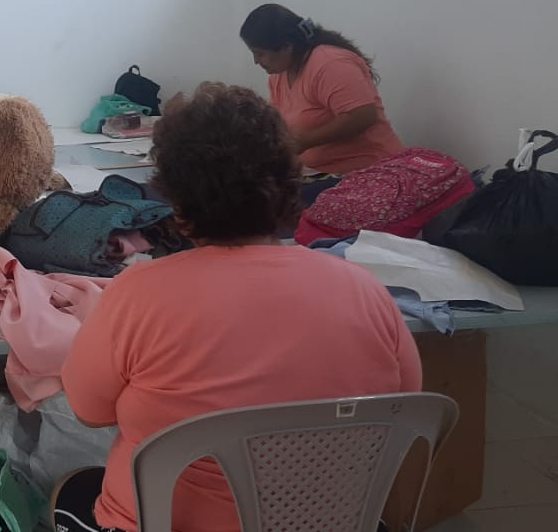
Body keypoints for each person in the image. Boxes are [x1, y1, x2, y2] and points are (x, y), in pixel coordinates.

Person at [54, 84, 422, 532]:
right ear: (287, 186)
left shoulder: (137, 294)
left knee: (71, 488)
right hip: (329, 523)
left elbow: (90, 413)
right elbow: (401, 409)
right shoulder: (365, 290)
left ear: (175, 200)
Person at [240, 3, 403, 175]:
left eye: (260, 53)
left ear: (287, 46)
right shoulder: (279, 74)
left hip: (368, 171)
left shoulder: (330, 63)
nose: (256, 61)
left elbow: (363, 116)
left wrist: (305, 141)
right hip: (317, 172)